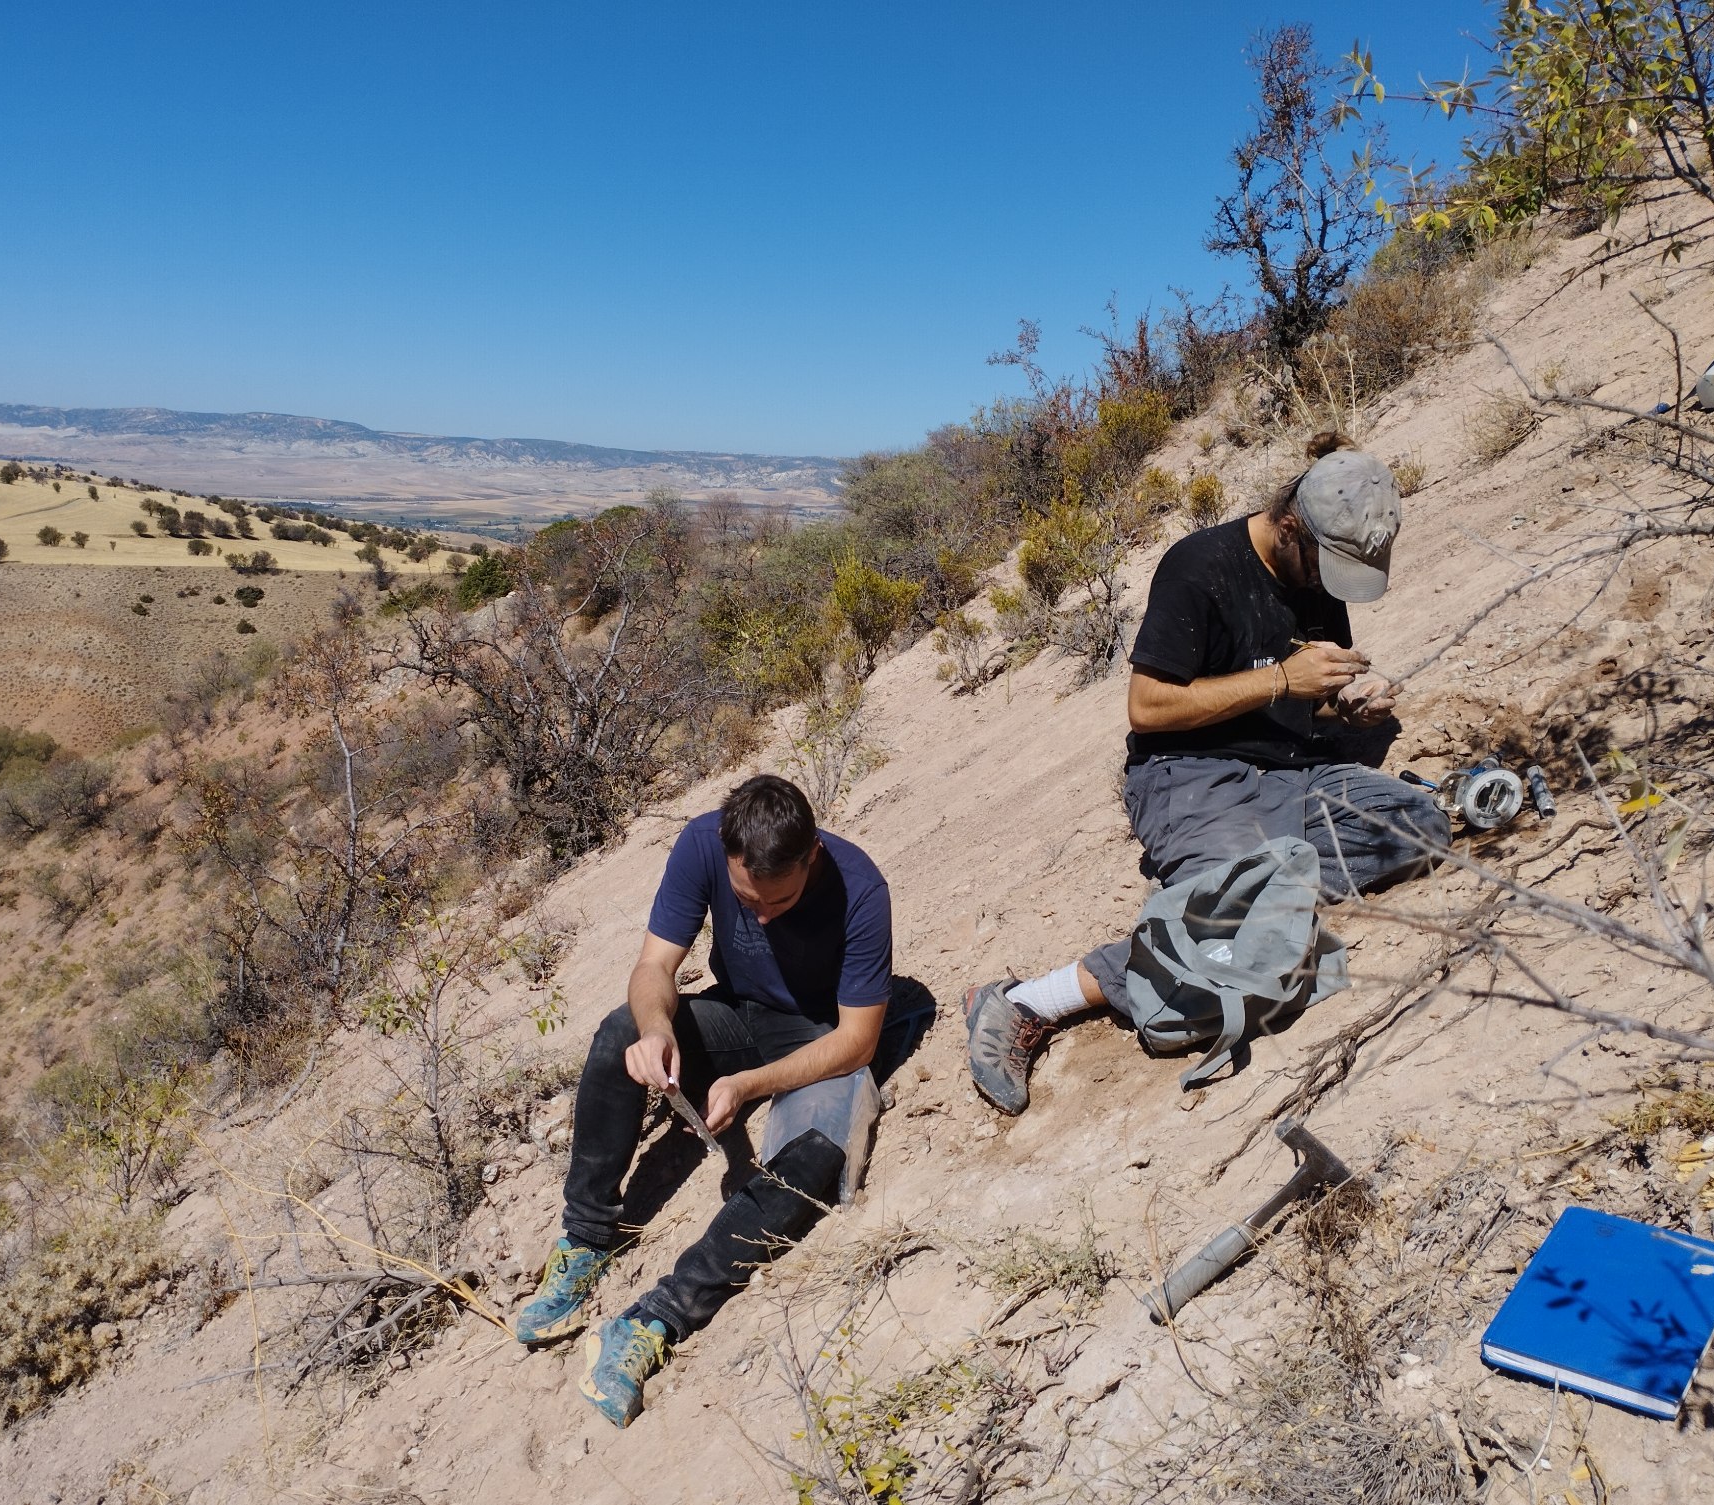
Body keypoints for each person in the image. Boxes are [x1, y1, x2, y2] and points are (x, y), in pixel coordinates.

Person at [964, 434, 1451, 1115]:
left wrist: (1346, 706)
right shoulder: (1199, 568)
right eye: (1329, 566)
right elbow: (1148, 706)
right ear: (1290, 529)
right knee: (1235, 951)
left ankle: (1250, 892)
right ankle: (1029, 1000)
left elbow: (1308, 693)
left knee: (1422, 825)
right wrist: (1283, 681)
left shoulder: (1314, 574)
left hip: (1292, 770)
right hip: (1191, 774)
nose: (1330, 585)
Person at [515, 774, 895, 1427]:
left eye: (781, 900)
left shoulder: (860, 889)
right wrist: (657, 1030)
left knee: (812, 1157)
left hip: (818, 1038)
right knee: (619, 1033)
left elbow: (858, 1041)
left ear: (812, 856)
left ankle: (656, 1317)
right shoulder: (700, 844)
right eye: (749, 901)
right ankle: (586, 1237)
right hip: (738, 1015)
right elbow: (653, 968)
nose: (764, 916)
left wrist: (750, 1085)